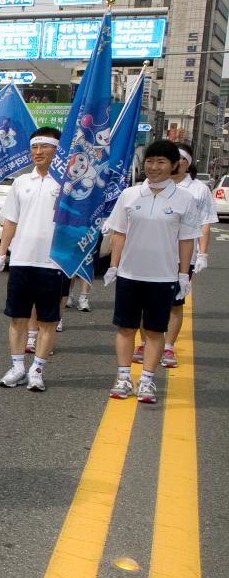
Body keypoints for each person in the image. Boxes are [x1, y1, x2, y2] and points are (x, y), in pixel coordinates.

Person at [103, 139, 200, 404]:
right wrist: (114, 266)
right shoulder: (130, 194)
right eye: (149, 161)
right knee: (125, 328)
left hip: (163, 276)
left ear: (174, 165)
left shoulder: (185, 199)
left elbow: (186, 239)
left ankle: (147, 380)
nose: (154, 167)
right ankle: (123, 378)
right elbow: (119, 234)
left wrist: (183, 275)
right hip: (130, 274)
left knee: (155, 331)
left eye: (161, 162)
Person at [0, 127, 64, 393]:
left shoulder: (67, 184)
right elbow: (11, 220)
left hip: (52, 262)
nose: (38, 152)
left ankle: (37, 369)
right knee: (18, 318)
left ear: (58, 150)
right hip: (22, 260)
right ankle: (18, 367)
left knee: (47, 321)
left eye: (45, 147)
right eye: (34, 147)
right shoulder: (21, 183)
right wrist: (2, 253)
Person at [159, 144, 215, 367]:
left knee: (175, 302)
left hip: (183, 255)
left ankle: (169, 347)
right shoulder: (153, 185)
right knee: (148, 302)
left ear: (187, 163)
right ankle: (146, 342)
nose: (176, 162)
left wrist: (203, 254)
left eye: (180, 158)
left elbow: (205, 224)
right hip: (154, 253)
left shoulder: (199, 190)